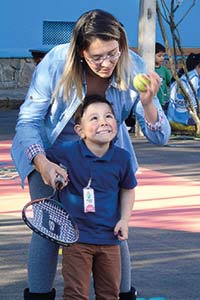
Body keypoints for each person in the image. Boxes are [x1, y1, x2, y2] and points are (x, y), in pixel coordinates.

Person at [11, 9, 171, 300]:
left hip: (104, 157)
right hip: (52, 153)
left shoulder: (132, 65)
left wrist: (148, 105)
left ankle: (121, 296)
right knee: (49, 228)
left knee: (112, 227)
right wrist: (42, 163)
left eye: (113, 53)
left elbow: (161, 136)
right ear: (82, 52)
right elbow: (28, 121)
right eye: (97, 57)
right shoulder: (56, 64)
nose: (107, 63)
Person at [46, 94, 137, 300]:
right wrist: (52, 169)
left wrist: (124, 220)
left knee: (109, 294)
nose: (103, 122)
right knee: (76, 294)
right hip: (76, 239)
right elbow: (42, 159)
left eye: (108, 116)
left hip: (110, 239)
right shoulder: (67, 151)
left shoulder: (122, 157)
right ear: (79, 131)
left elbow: (128, 189)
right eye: (93, 118)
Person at [167, 52, 200, 125]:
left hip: (173, 117)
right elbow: (192, 99)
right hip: (185, 118)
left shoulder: (185, 75)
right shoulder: (193, 78)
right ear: (198, 66)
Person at [155, 42, 172, 113]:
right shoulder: (148, 69)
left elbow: (171, 82)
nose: (162, 58)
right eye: (159, 56)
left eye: (163, 56)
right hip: (153, 101)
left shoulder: (164, 70)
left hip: (163, 101)